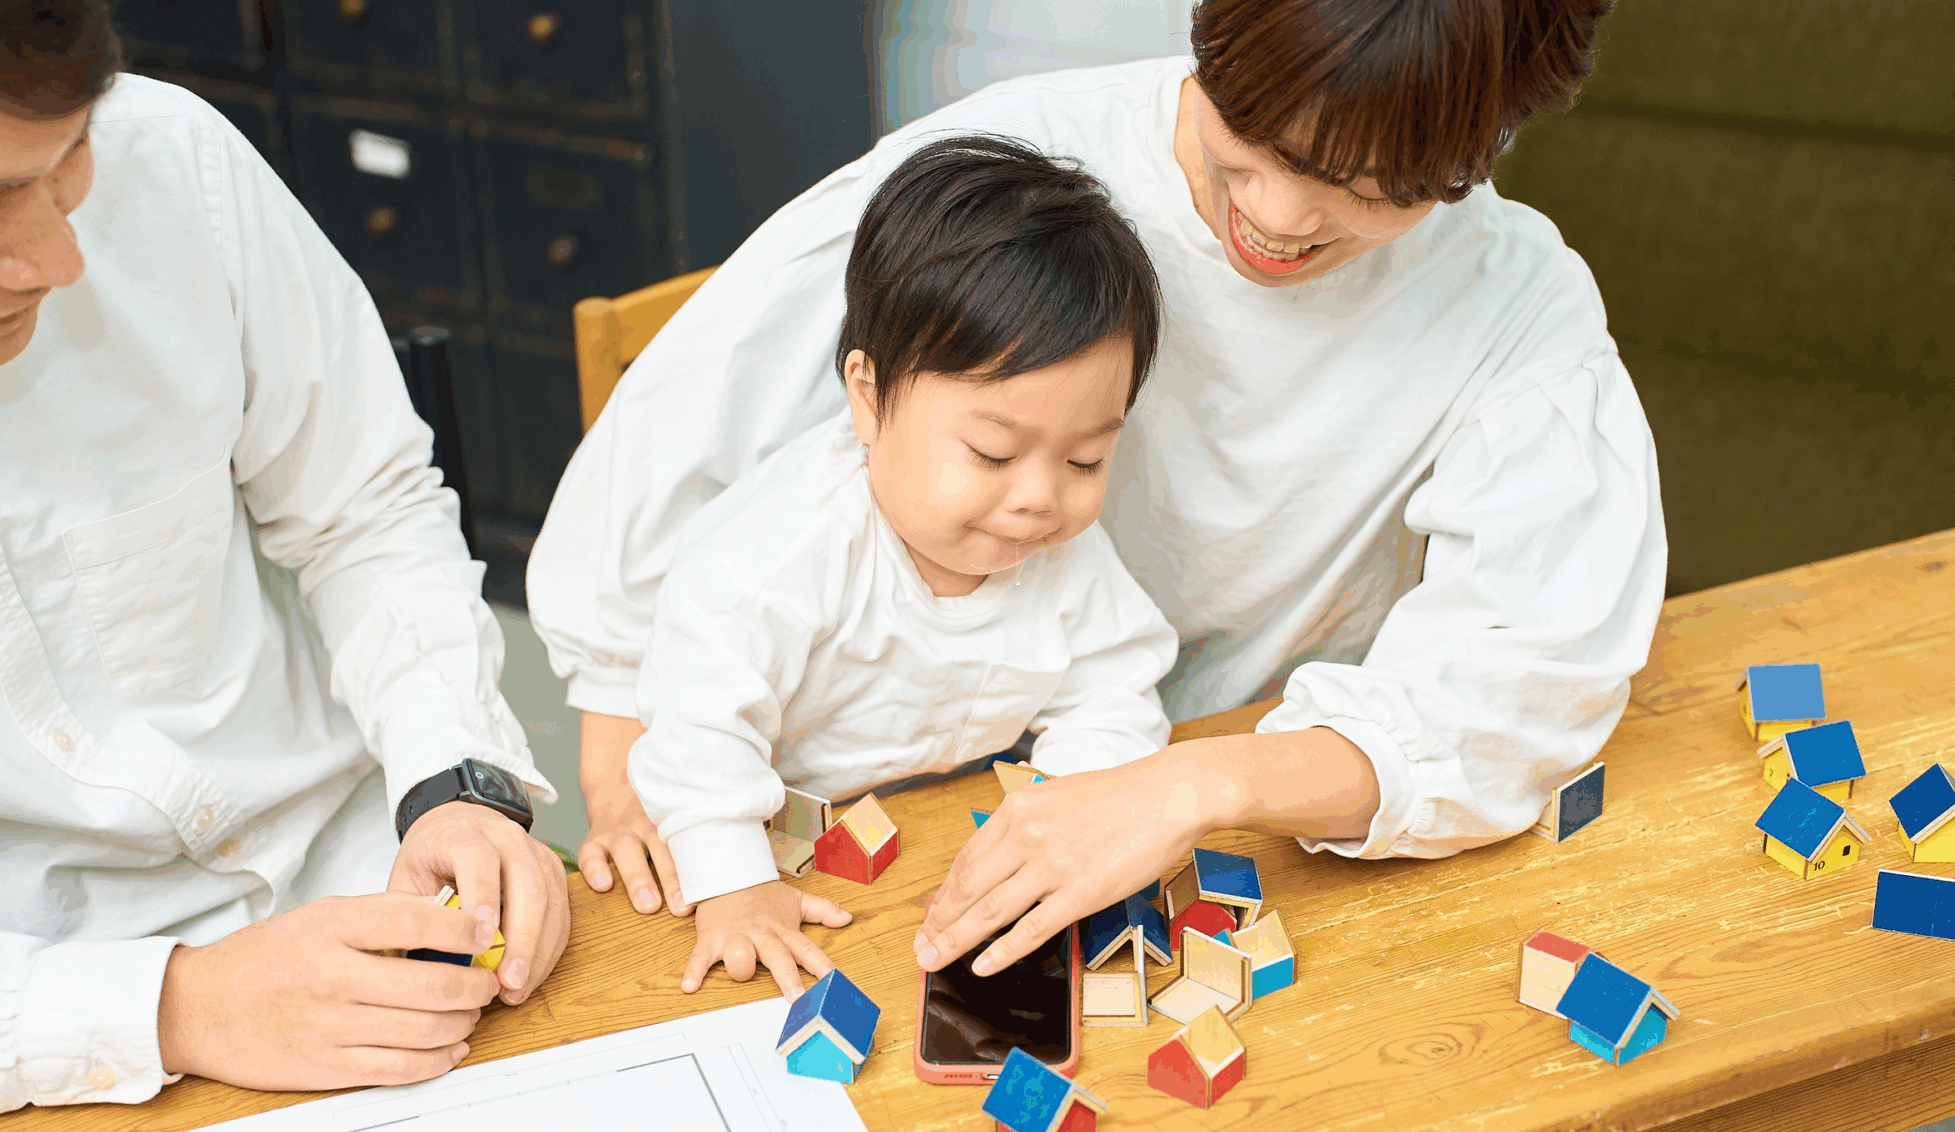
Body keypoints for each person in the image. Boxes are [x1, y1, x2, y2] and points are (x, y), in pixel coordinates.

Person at [525, 0, 1664, 978]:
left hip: (1203, 803)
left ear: (1483, 145)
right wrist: (630, 746)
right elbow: (678, 461)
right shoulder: (1004, 183)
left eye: (1368, 189)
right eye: (1249, 137)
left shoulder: (1513, 308)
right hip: (836, 814)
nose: (1273, 218)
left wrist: (1190, 786)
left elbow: (1524, 686)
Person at [0, 0, 568, 1118]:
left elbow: (360, 506)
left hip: (377, 877)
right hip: (10, 1027)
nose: (56, 259)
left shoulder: (173, 158)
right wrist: (180, 1006)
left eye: (67, 161)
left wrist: (458, 779)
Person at [628, 136, 1176, 999]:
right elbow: (697, 727)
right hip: (774, 835)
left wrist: (1065, 808)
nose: (1039, 500)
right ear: (869, 397)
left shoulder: (1060, 553)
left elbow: (1116, 688)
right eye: (993, 452)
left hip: (931, 830)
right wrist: (734, 881)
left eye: (1085, 462)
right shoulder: (785, 554)